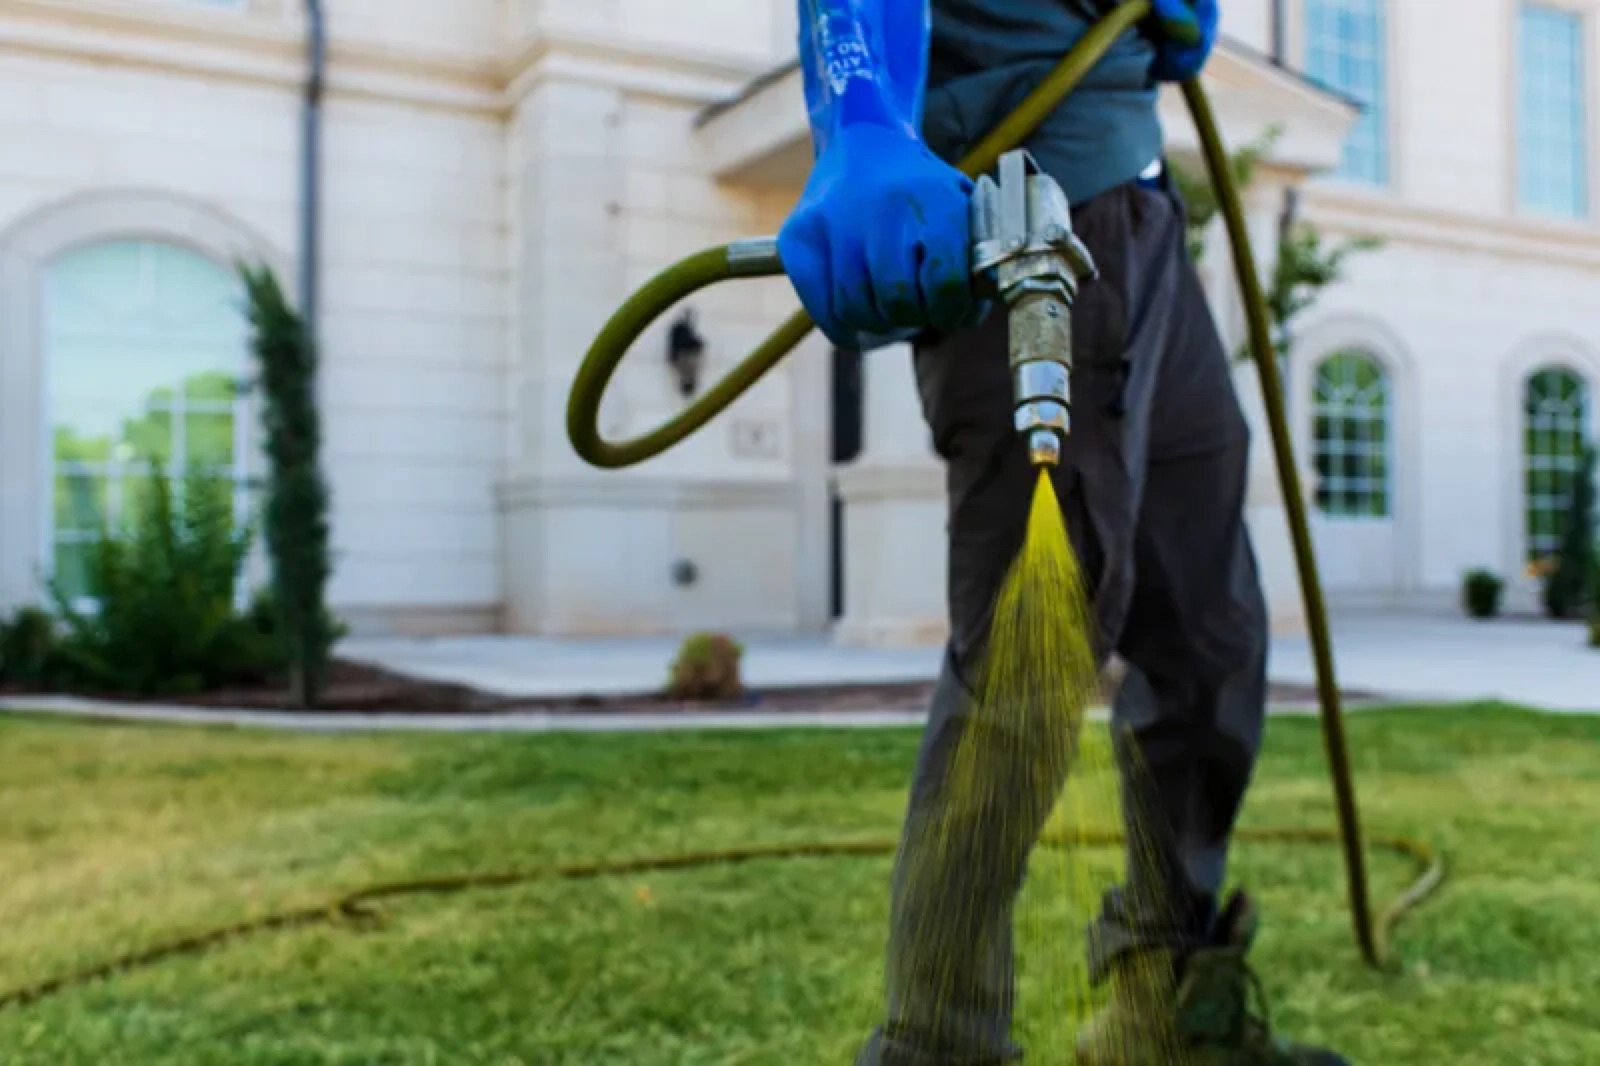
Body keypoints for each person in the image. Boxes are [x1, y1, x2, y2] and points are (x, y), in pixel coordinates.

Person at [776, 2, 1352, 1064]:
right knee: (1026, 661)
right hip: (1019, 214)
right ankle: (937, 1043)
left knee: (1210, 634)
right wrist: (860, 119)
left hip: (1139, 215)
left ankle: (1163, 1006)